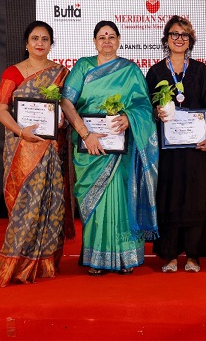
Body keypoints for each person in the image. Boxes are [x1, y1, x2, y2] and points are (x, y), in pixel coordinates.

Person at [61, 20, 159, 276]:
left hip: (121, 150)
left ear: (118, 40)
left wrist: (129, 117)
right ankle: (97, 258)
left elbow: (144, 107)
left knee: (123, 199)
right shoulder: (83, 66)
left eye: (111, 36)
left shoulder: (131, 70)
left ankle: (126, 258)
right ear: (95, 41)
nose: (107, 40)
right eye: (102, 36)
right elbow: (66, 102)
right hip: (90, 148)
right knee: (95, 200)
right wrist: (85, 134)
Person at [0, 20, 71, 287]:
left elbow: (67, 108)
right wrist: (20, 131)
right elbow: (0, 109)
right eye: (35, 38)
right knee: (23, 208)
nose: (40, 43)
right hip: (22, 150)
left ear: (51, 44)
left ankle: (42, 265)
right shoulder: (13, 72)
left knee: (50, 204)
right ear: (26, 43)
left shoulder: (61, 73)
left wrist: (61, 121)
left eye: (45, 39)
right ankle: (13, 266)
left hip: (51, 150)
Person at [145, 16, 206, 273]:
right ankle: (170, 254)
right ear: (166, 39)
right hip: (168, 151)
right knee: (169, 197)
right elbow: (145, 109)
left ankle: (194, 255)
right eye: (174, 34)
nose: (179, 39)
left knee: (197, 198)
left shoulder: (200, 70)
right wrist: (156, 113)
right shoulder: (155, 72)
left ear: (190, 41)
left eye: (184, 35)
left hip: (197, 149)